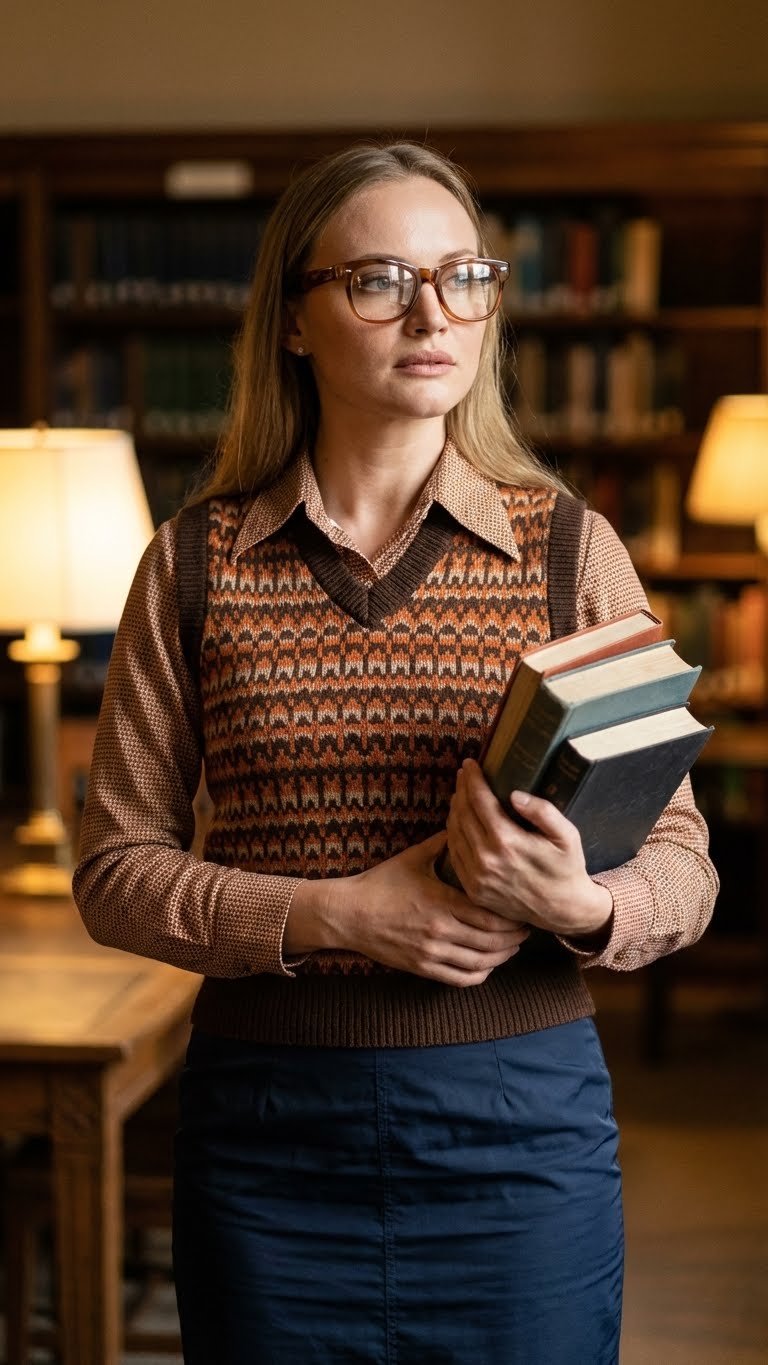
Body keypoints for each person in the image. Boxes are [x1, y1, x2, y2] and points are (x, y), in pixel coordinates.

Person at [73, 140, 718, 1365]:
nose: (433, 312)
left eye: (464, 275)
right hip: (268, 1139)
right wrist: (334, 915)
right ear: (296, 321)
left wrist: (585, 905)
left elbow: (685, 861)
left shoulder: (573, 553)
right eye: (379, 279)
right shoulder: (193, 564)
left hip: (520, 1137)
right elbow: (115, 871)